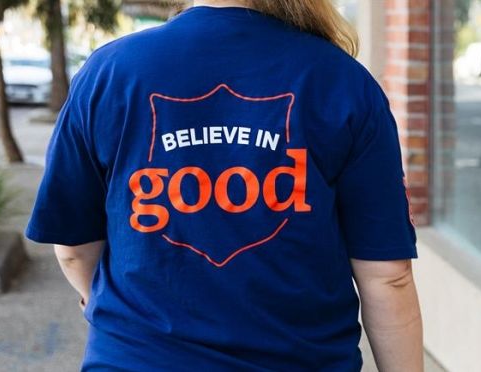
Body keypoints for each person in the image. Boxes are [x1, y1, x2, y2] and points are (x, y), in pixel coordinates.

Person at [25, 0, 423, 370]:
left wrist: (118, 313)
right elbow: (388, 276)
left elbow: (75, 249)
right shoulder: (343, 81)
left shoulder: (108, 73)